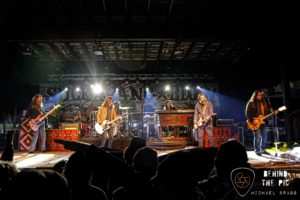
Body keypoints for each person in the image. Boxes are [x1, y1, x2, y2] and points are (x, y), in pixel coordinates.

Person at [245, 90, 275, 155]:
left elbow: (267, 112)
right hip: (254, 122)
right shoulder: (251, 103)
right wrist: (253, 120)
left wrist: (273, 112)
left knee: (264, 137)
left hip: (263, 122)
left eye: (261, 95)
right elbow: (247, 113)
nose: (260, 96)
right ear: (255, 95)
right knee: (257, 136)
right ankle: (257, 150)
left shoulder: (264, 103)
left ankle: (263, 149)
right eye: (258, 95)